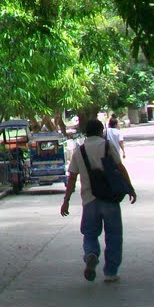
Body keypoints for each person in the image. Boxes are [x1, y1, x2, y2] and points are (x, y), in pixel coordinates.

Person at [60, 118, 137, 282]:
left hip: (89, 200)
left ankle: (91, 254)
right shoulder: (107, 146)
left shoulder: (79, 151)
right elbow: (120, 167)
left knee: (89, 234)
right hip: (110, 198)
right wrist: (129, 188)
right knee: (114, 236)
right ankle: (110, 272)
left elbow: (72, 177)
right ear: (101, 131)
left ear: (86, 133)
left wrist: (66, 200)